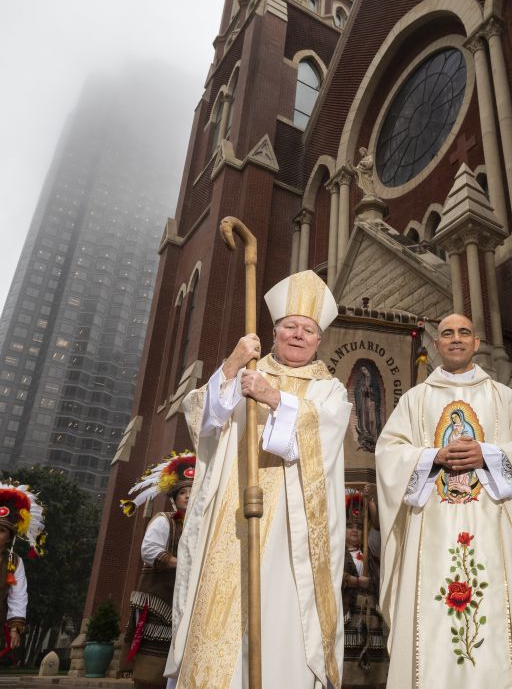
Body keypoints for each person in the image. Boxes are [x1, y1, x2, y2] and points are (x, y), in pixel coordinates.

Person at [166, 270, 352, 689]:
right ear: (274, 332)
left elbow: (323, 432)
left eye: (308, 330)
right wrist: (231, 366)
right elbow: (204, 421)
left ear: (320, 341)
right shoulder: (245, 370)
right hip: (230, 520)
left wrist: (273, 398)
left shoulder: (329, 391)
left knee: (279, 612)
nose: (299, 336)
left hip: (290, 530)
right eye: (290, 327)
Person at [375, 313, 512, 688]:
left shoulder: (503, 397)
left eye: (464, 333)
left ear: (476, 343)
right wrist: (433, 457)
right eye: (447, 333)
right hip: (431, 529)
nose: (456, 339)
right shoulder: (416, 400)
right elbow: (388, 453)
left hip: (494, 524)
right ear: (437, 344)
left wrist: (488, 455)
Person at [120, 452, 195, 689]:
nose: (188, 496)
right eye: (183, 492)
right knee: (153, 668)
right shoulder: (165, 520)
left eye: (192, 491)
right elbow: (149, 550)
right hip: (160, 603)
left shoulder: (204, 526)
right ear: (175, 497)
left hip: (188, 604)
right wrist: (181, 564)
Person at [0, 479, 46, 668]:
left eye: (2, 530)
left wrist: (14, 629)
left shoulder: (14, 562)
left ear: (9, 537)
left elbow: (18, 597)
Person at [341, 488, 387, 688]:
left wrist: (370, 503)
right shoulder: (337, 554)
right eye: (349, 526)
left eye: (359, 527)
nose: (354, 531)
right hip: (346, 617)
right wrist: (355, 581)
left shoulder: (370, 549)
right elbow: (331, 578)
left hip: (370, 618)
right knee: (346, 672)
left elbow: (377, 528)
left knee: (372, 676)